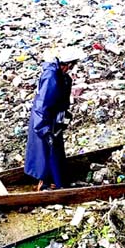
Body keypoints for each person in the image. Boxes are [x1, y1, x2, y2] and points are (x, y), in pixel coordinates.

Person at [25, 46, 86, 191]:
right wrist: (43, 128)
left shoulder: (62, 77)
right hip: (44, 119)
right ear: (67, 64)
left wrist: (64, 117)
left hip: (54, 119)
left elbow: (62, 102)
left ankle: (57, 181)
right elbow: (42, 104)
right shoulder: (51, 76)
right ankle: (45, 183)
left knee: (55, 150)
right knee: (46, 151)